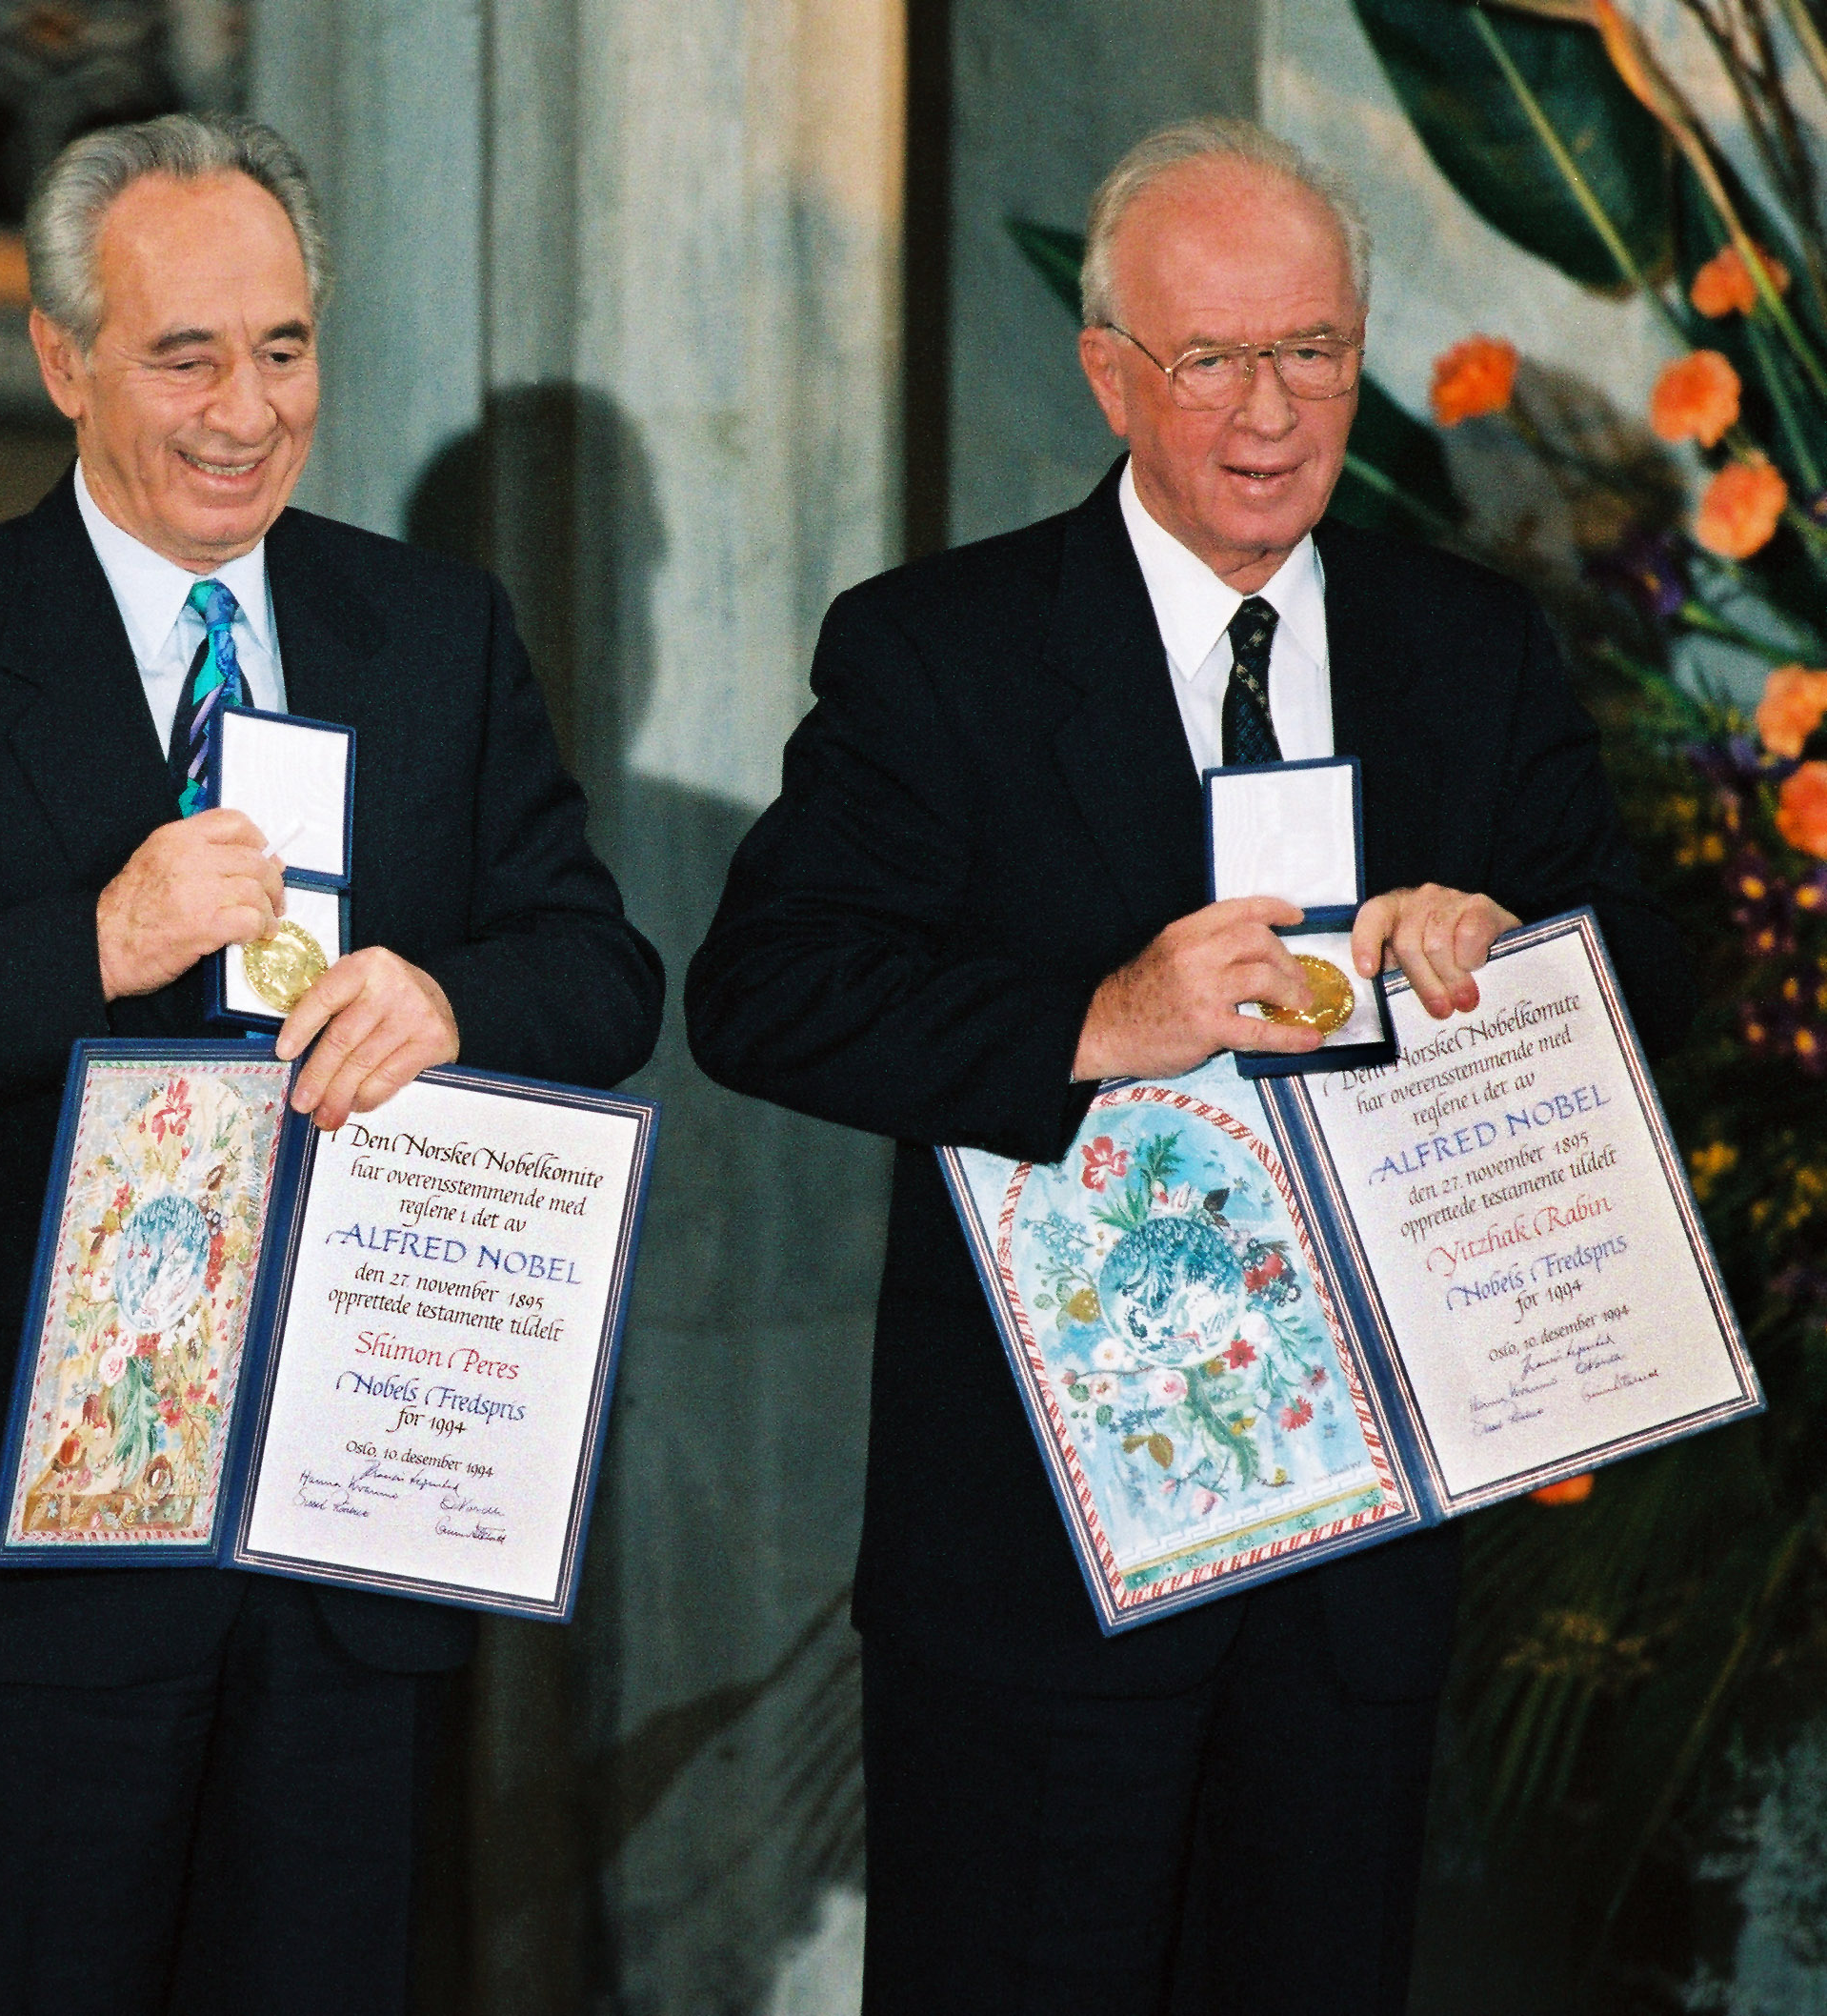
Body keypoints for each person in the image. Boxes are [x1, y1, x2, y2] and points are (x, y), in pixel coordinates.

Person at [686, 119, 1690, 2011]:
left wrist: (1509, 957)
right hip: (1034, 1585)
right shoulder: (940, 653)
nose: (1267, 412)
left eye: (1310, 350)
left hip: (1356, 1574)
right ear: (1106, 373)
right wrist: (1095, 1022)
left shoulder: (1465, 648)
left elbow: (1641, 966)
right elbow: (759, 992)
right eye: (1210, 357)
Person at [0, 111, 661, 2014]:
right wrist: (89, 946)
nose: (247, 412)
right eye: (187, 357)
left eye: (284, 349)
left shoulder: (430, 632)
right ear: (61, 360)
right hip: (45, 1557)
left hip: (354, 1534)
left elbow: (601, 969)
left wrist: (451, 1002)